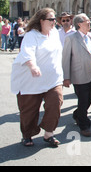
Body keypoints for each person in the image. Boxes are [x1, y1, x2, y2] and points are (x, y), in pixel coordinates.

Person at [10, 8, 64, 147]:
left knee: (56, 103)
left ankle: (49, 133)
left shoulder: (55, 34)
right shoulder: (31, 35)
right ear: (41, 21)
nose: (54, 22)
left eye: (54, 19)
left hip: (53, 79)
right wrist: (33, 66)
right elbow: (27, 52)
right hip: (32, 80)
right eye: (51, 19)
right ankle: (27, 135)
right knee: (29, 110)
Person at [62, 13, 91, 137]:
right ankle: (84, 125)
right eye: (87, 21)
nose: (90, 23)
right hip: (79, 74)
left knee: (90, 97)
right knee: (83, 99)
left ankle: (78, 114)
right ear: (79, 24)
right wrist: (66, 77)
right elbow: (65, 59)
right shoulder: (71, 38)